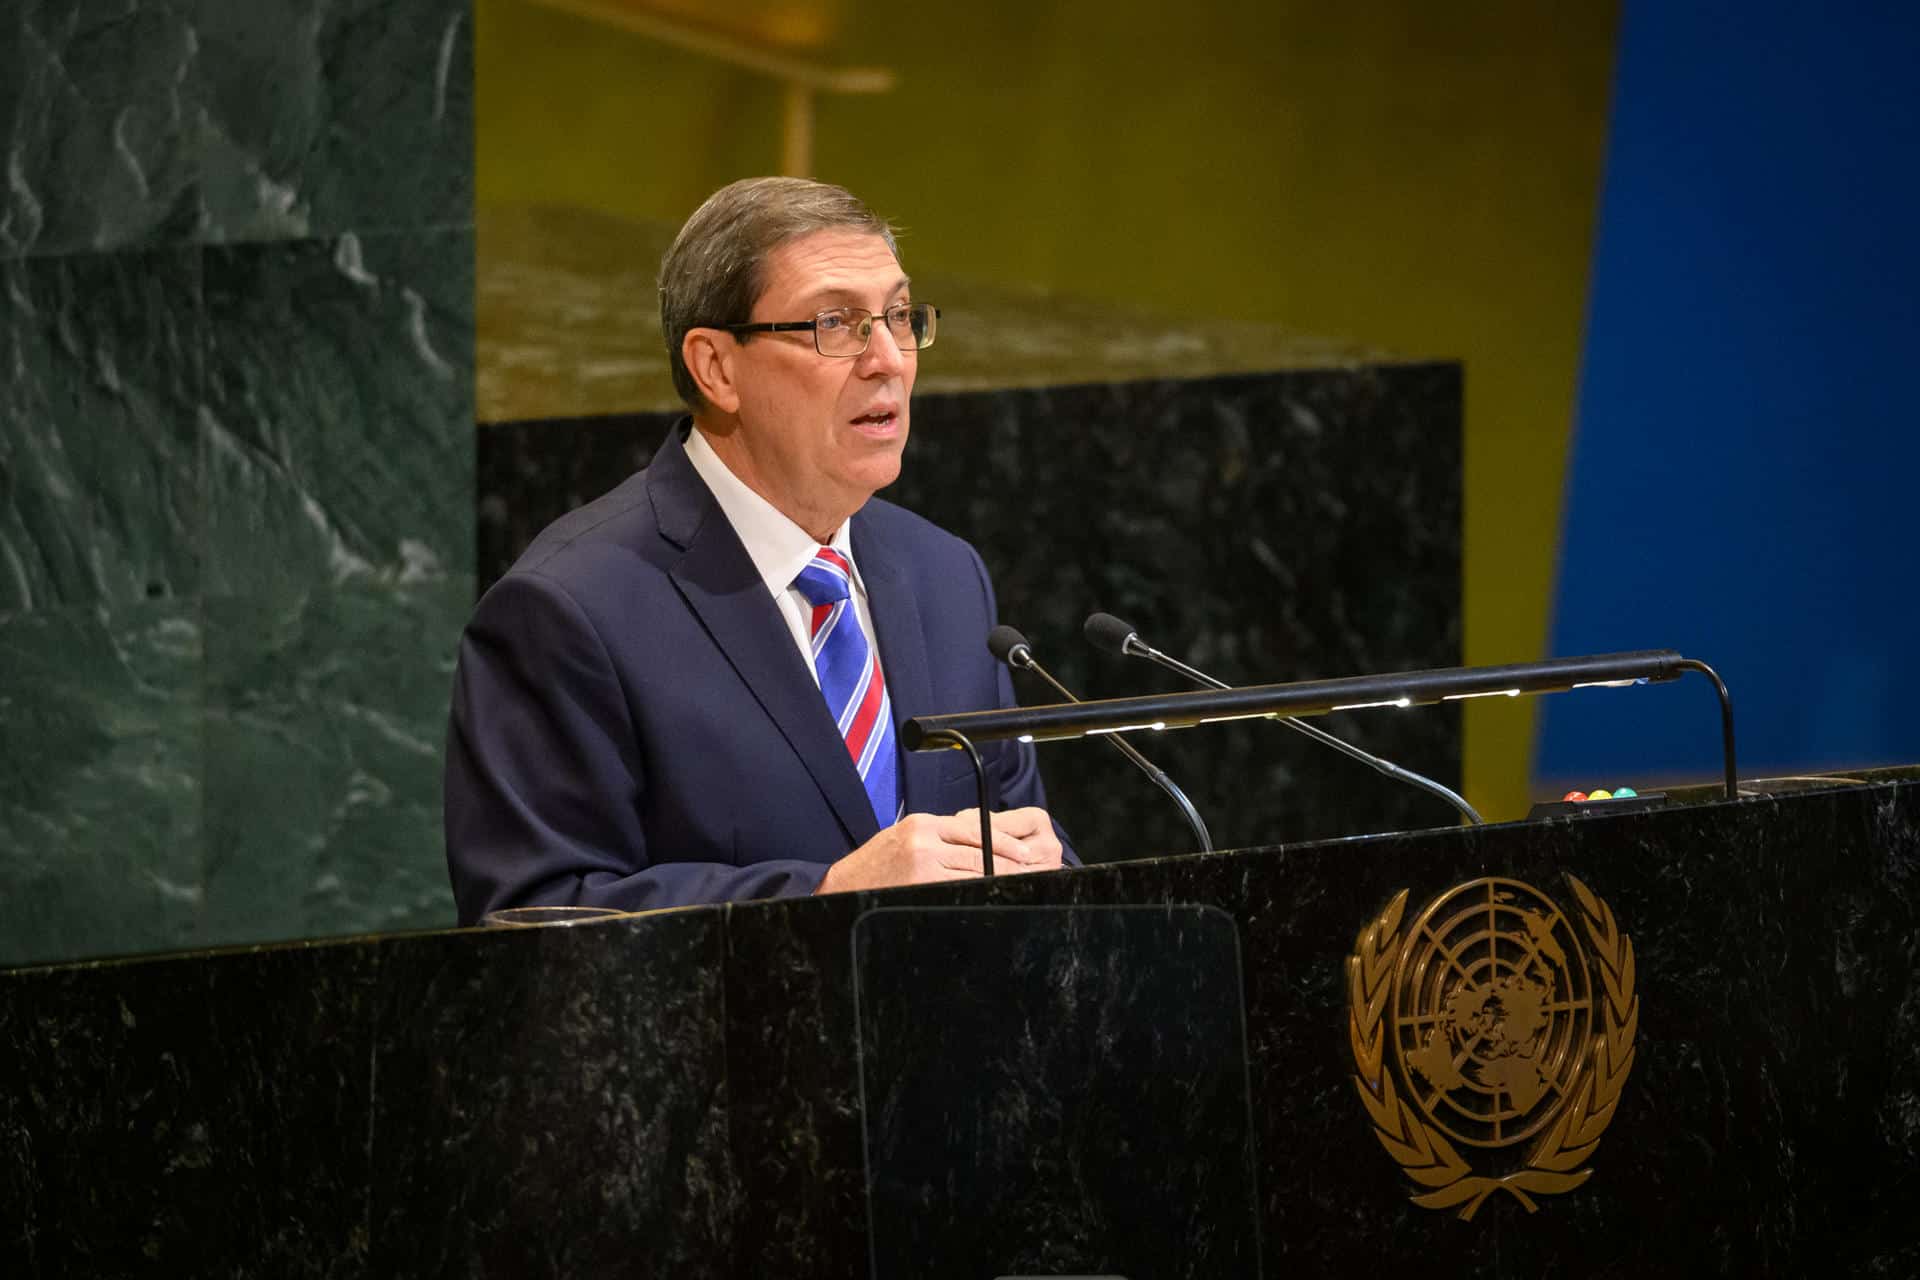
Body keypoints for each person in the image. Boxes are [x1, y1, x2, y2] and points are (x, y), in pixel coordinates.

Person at [443, 177, 1072, 924]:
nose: (889, 361)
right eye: (836, 323)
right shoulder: (569, 611)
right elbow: (536, 916)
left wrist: (1044, 863)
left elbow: (1002, 823)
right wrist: (827, 896)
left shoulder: (945, 575)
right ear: (716, 367)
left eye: (899, 317)